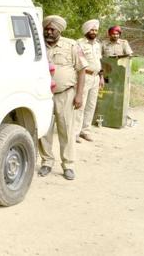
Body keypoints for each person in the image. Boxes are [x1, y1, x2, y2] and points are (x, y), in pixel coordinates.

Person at [39, 15, 88, 181]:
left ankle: (68, 165)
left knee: (66, 130)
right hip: (43, 95)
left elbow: (81, 70)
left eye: (53, 29)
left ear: (59, 30)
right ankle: (46, 162)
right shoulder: (37, 44)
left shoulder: (72, 45)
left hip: (65, 93)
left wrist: (79, 94)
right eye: (47, 29)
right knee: (44, 130)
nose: (49, 32)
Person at [74, 19, 104, 143]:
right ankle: (75, 132)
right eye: (91, 30)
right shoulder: (79, 44)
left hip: (96, 77)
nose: (94, 32)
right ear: (86, 30)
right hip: (84, 76)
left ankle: (85, 131)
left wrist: (101, 77)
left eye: (96, 30)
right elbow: (77, 61)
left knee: (91, 105)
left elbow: (99, 61)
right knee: (81, 105)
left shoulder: (97, 44)